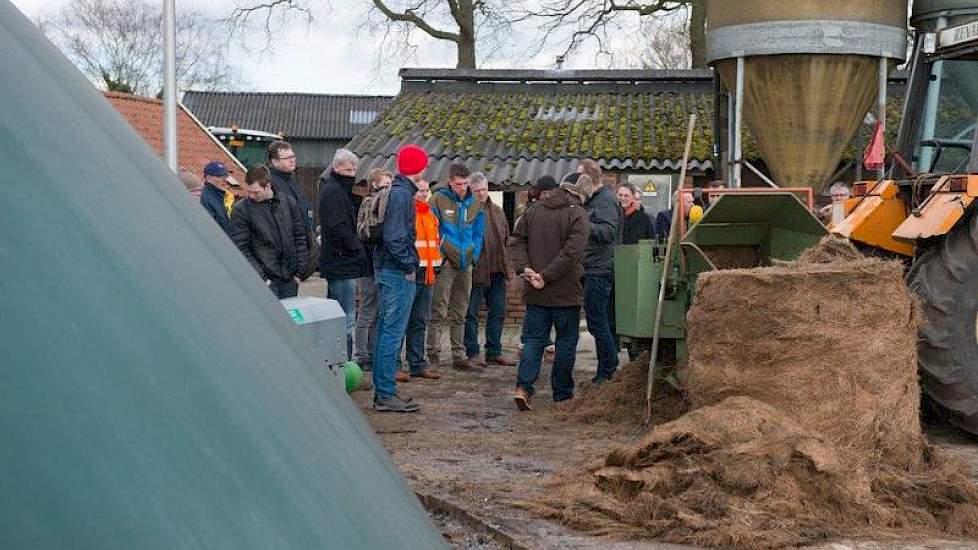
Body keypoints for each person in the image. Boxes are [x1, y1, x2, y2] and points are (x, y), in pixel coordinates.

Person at [507, 172, 591, 411]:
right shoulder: (578, 214)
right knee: (565, 343)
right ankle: (562, 395)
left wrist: (526, 270)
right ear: (581, 193)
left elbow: (516, 241)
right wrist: (545, 276)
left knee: (533, 341)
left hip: (536, 292)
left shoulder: (533, 210)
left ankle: (523, 387)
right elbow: (571, 253)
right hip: (566, 292)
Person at [372, 144, 427, 413]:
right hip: (396, 272)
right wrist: (409, 265)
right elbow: (395, 238)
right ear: (418, 168)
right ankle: (384, 394)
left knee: (387, 331)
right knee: (391, 333)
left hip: (388, 269)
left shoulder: (397, 192)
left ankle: (385, 391)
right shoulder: (403, 195)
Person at [426, 164, 486, 371]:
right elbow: (430, 229)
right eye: (458, 183)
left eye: (465, 183)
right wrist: (440, 256)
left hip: (465, 262)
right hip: (446, 263)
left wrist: (474, 254)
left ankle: (458, 355)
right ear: (450, 181)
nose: (462, 187)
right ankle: (433, 355)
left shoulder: (475, 203)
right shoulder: (437, 200)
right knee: (438, 309)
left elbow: (479, 232)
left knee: (461, 310)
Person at [229, 164, 308, 299]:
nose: (251, 196)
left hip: (289, 278)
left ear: (268, 186)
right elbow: (240, 248)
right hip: (264, 280)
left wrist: (299, 273)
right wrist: (262, 279)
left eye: (256, 192)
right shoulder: (242, 210)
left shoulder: (288, 202)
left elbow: (300, 236)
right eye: (249, 191)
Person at [318, 148, 368, 359]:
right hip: (340, 263)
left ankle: (343, 361)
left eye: (355, 168)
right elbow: (336, 225)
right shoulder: (333, 191)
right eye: (348, 169)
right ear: (337, 167)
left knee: (343, 315)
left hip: (343, 261)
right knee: (344, 318)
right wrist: (355, 245)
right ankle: (344, 363)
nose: (352, 173)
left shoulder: (340, 190)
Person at [464, 173, 517, 367]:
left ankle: (494, 351)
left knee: (498, 311)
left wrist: (506, 265)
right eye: (477, 191)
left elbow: (505, 238)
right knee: (470, 313)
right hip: (476, 270)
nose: (481, 194)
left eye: (484, 190)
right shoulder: (467, 210)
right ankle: (472, 352)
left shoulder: (497, 211)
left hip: (497, 270)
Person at [579, 162, 623, 384]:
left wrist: (583, 223)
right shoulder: (595, 200)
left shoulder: (605, 200)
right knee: (600, 320)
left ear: (587, 179)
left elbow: (607, 232)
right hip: (594, 267)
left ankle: (608, 369)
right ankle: (606, 367)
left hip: (600, 268)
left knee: (598, 322)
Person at [397, 178, 442, 381]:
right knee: (400, 320)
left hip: (429, 274)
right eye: (420, 190)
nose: (423, 194)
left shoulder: (431, 216)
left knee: (420, 321)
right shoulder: (408, 214)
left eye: (426, 190)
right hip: (411, 272)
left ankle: (417, 363)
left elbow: (434, 244)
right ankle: (395, 364)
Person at [354, 168, 393, 371]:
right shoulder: (370, 202)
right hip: (368, 264)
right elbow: (368, 232)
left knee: (376, 312)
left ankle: (371, 351)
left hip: (378, 264)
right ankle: (361, 355)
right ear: (374, 184)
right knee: (367, 311)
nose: (387, 190)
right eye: (384, 185)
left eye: (389, 185)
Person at [267, 140, 313, 230]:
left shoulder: (292, 180)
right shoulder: (270, 183)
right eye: (287, 158)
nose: (292, 160)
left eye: (293, 157)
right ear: (275, 162)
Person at [199, 160, 234, 233]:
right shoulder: (204, 198)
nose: (224, 179)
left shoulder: (227, 197)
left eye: (225, 176)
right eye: (219, 176)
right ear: (208, 178)